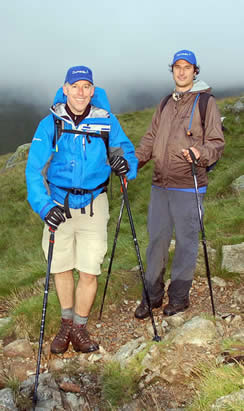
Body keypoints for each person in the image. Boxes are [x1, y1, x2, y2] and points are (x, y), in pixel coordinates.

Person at [26, 66, 138, 354]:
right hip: (58, 204)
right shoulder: (50, 124)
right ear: (65, 89)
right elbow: (33, 169)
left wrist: (125, 165)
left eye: (86, 86)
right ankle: (65, 323)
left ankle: (78, 328)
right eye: (75, 86)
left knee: (89, 270)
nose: (80, 92)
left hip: (93, 204)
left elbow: (125, 152)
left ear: (93, 90)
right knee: (61, 267)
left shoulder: (106, 122)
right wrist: (43, 205)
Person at [134, 50, 224, 319]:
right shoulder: (164, 103)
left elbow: (216, 143)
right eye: (177, 67)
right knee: (157, 242)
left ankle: (179, 298)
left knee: (186, 242)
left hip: (189, 184)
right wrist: (134, 162)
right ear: (172, 70)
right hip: (160, 184)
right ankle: (152, 296)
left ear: (195, 71)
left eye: (187, 67)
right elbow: (150, 139)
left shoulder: (206, 102)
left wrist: (200, 153)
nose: (182, 71)